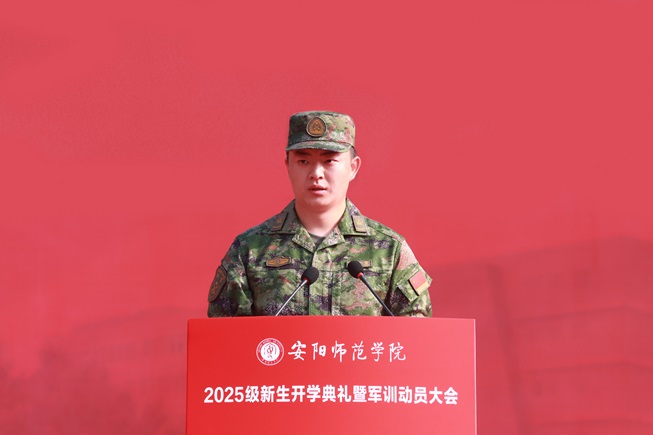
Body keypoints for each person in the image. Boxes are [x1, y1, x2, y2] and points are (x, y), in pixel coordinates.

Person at [207, 111, 432, 317]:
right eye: (303, 161)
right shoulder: (249, 250)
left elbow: (417, 337)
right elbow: (222, 337)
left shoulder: (389, 250)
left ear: (353, 167)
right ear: (288, 166)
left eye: (329, 161)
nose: (316, 173)